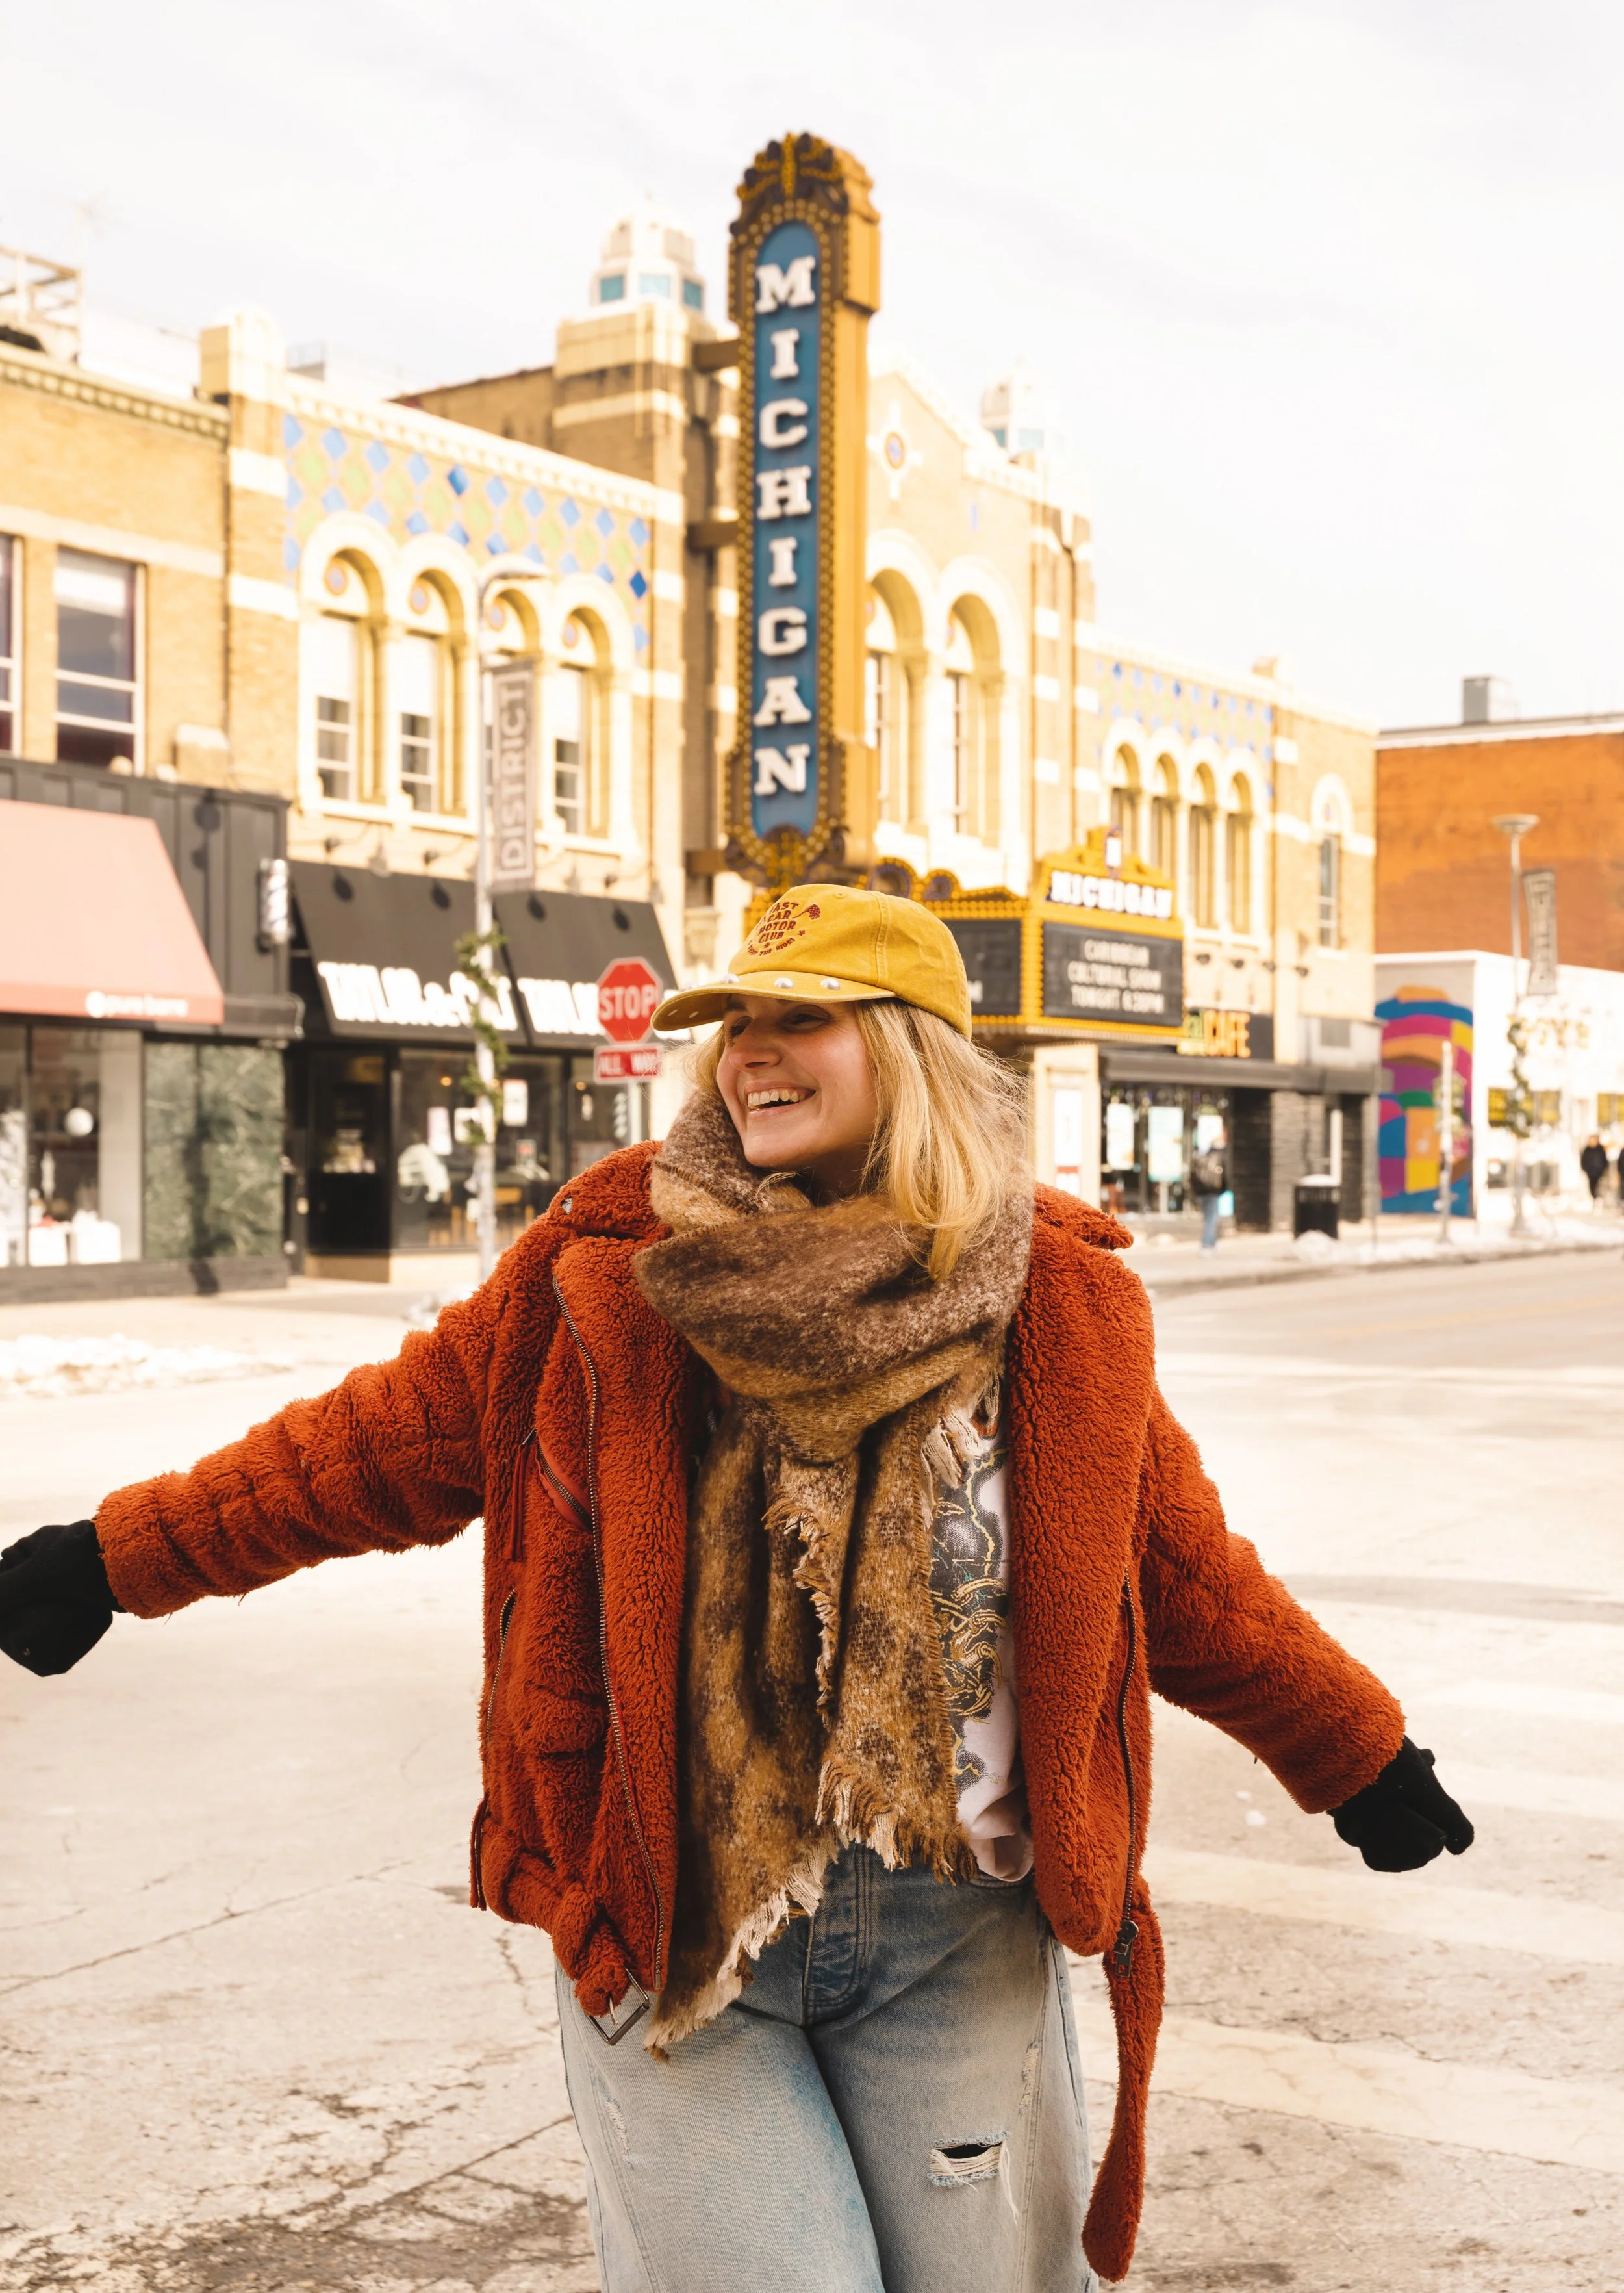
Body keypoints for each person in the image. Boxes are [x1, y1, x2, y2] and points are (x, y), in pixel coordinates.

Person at [0, 886, 1474, 2293]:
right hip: (672, 1924)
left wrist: (1355, 1754)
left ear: (910, 1048)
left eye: (805, 1017)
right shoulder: (602, 1273)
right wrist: (117, 1559)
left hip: (957, 1931)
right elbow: (367, 1449)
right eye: (737, 1021)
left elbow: (1181, 1575)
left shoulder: (1059, 1305)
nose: (754, 1051)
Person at [1187, 1120, 1228, 1253]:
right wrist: (1224, 1190)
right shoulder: (1220, 1156)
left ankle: (1213, 1242)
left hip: (1201, 1192)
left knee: (1208, 1218)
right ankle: (1206, 1245)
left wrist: (1195, 1191)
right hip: (1213, 1192)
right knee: (1212, 1219)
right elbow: (1225, 1176)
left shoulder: (1202, 1156)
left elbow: (1192, 1175)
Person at [1580, 1133, 1609, 1206]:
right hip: (1590, 1172)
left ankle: (1599, 1199)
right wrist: (1585, 1169)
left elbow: (1604, 1160)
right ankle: (1594, 1199)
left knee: (1599, 1187)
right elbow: (1584, 1160)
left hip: (1599, 1172)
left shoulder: (1600, 1149)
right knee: (1592, 1187)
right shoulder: (1587, 1150)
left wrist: (1603, 1169)